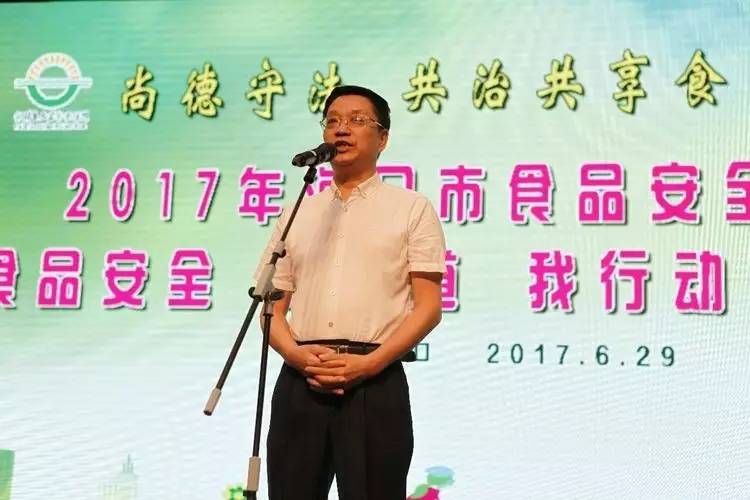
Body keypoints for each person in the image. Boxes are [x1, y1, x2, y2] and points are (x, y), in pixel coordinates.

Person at [254, 85, 446, 500]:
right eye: (333, 121)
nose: (341, 130)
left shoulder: (411, 208)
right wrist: (296, 355)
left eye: (357, 121)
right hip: (301, 378)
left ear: (383, 139)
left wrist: (371, 364)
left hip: (375, 381)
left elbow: (429, 308)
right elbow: (271, 310)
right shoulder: (297, 212)